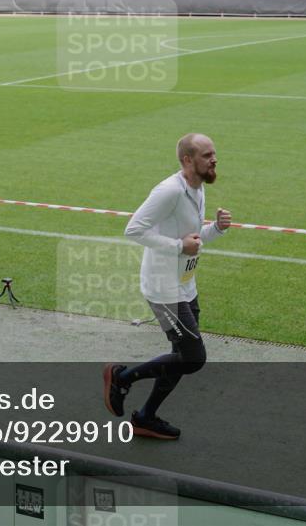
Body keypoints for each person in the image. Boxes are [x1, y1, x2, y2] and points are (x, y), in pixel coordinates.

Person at [103, 133, 232, 440]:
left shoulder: (196, 188)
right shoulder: (169, 191)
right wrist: (177, 246)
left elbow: (192, 239)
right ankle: (121, 377)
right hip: (163, 289)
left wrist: (214, 229)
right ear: (188, 160)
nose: (214, 159)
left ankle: (146, 417)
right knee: (193, 358)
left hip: (185, 284)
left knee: (182, 355)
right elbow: (133, 229)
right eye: (206, 155)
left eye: (214, 154)